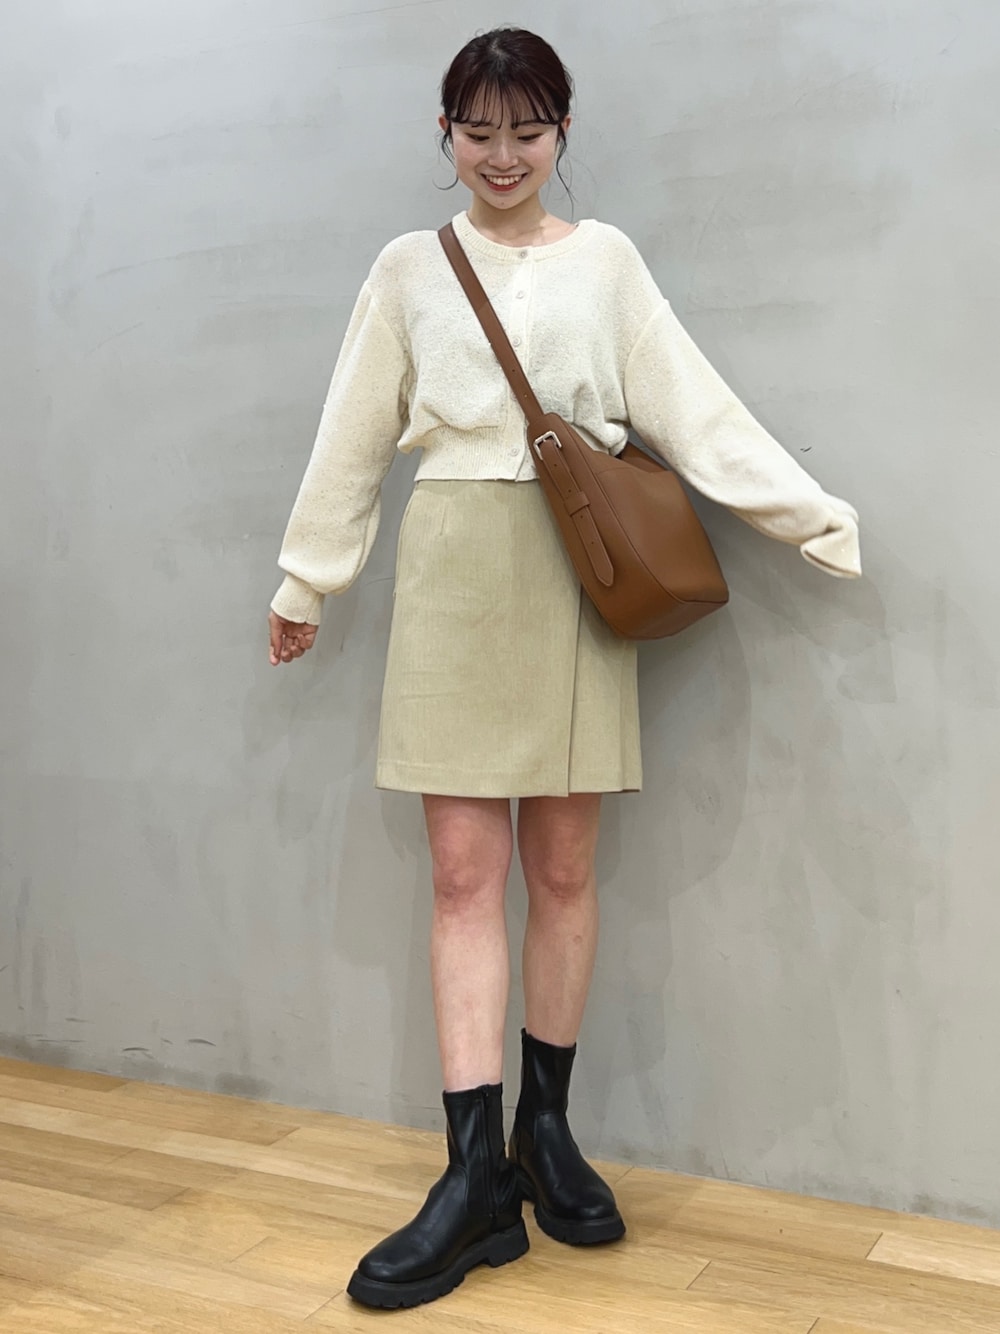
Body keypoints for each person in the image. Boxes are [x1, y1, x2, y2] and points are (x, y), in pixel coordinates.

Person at [267, 26, 862, 1312]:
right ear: (443, 133)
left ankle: (546, 1131)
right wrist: (308, 576)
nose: (502, 155)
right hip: (451, 572)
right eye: (477, 131)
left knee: (564, 869)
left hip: (576, 571)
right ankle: (472, 1176)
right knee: (461, 876)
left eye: (526, 131)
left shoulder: (608, 263)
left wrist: (806, 513)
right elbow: (354, 428)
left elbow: (690, 404)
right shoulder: (407, 267)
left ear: (564, 132)